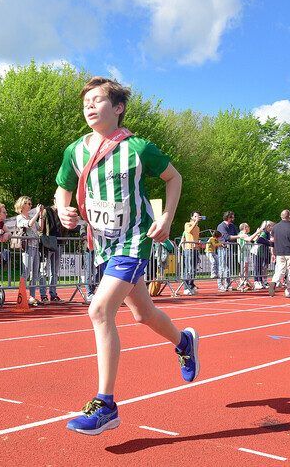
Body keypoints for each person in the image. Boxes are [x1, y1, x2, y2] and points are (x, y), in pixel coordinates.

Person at [55, 76, 198, 435]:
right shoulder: (75, 150)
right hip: (103, 242)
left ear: (117, 108)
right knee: (142, 314)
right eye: (86, 101)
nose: (89, 106)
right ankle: (184, 342)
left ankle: (105, 405)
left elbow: (174, 177)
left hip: (134, 239)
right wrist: (63, 210)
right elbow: (63, 189)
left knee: (99, 309)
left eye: (98, 100)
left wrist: (166, 217)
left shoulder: (138, 148)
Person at [15, 196, 47, 306]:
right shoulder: (20, 217)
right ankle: (22, 294)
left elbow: (40, 228)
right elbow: (28, 224)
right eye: (27, 203)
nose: (30, 205)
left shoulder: (31, 216)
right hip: (27, 247)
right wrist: (37, 213)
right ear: (22, 205)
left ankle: (32, 297)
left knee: (35, 273)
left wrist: (41, 216)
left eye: (30, 203)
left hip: (35, 246)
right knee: (26, 271)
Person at [268, 210, 290, 298]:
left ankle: (274, 281)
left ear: (281, 216)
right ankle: (289, 291)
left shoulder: (275, 228)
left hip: (279, 253)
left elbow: (272, 241)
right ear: (289, 216)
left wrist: (272, 253)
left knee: (279, 270)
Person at [39, 200, 64, 303]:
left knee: (55, 271)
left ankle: (53, 294)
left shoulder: (63, 213)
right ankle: (43, 295)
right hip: (47, 243)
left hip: (59, 243)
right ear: (55, 200)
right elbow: (41, 228)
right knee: (44, 270)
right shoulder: (47, 211)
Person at [216, 211, 245, 292]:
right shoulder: (221, 226)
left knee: (228, 268)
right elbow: (227, 237)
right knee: (222, 267)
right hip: (223, 249)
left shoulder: (232, 226)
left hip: (231, 249)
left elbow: (236, 235)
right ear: (228, 217)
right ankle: (220, 284)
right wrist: (239, 236)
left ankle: (227, 284)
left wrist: (242, 235)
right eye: (232, 217)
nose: (233, 218)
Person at [182, 211, 202, 295]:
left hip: (195, 249)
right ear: (192, 217)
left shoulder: (197, 228)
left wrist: (198, 242)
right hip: (188, 249)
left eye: (198, 216)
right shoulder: (187, 224)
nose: (197, 217)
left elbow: (196, 237)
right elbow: (189, 231)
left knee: (194, 268)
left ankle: (191, 285)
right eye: (195, 216)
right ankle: (186, 287)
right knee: (188, 268)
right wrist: (195, 222)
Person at [251, 221, 274, 290]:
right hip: (257, 252)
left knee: (260, 267)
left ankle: (260, 281)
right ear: (268, 226)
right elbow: (259, 240)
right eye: (271, 226)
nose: (272, 228)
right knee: (257, 267)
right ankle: (256, 281)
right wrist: (269, 242)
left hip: (262, 252)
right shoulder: (264, 233)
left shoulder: (268, 233)